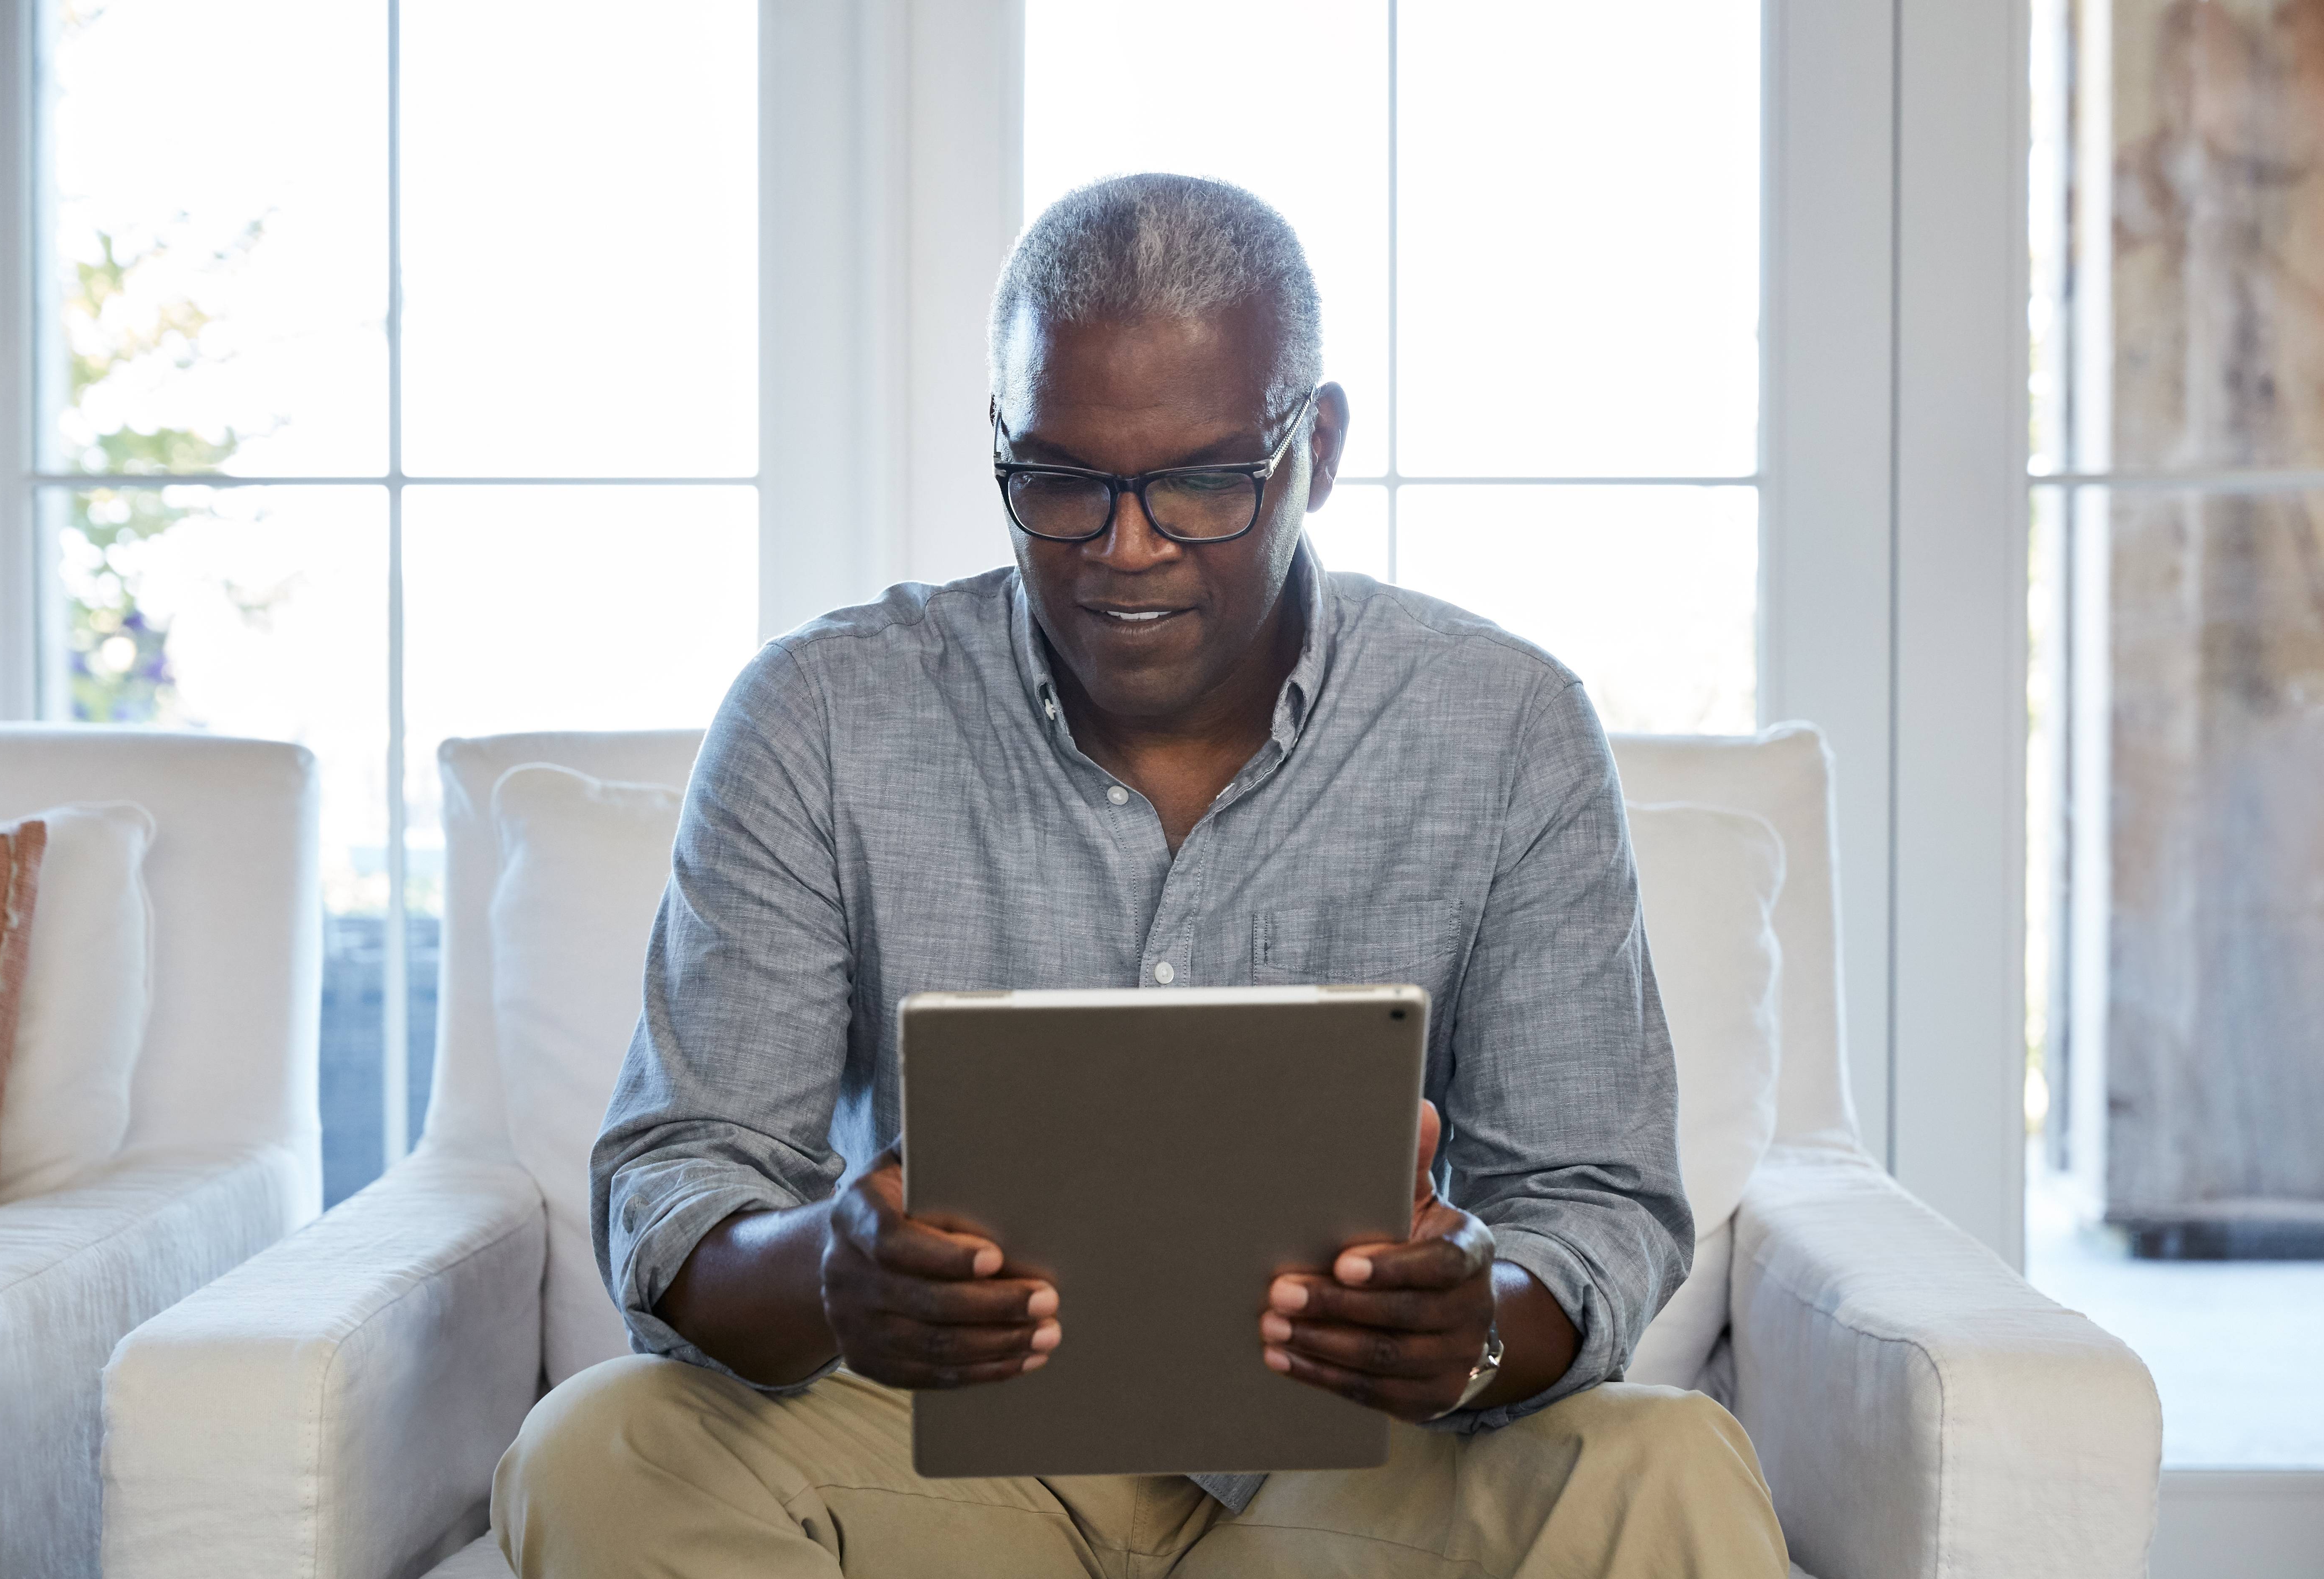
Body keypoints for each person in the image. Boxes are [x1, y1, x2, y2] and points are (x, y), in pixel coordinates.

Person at [492, 173, 1789, 1578]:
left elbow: (1591, 1202)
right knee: (598, 1449)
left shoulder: (1507, 723)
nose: (1126, 546)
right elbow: (684, 1174)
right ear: (1001, 446)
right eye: (1059, 480)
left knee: (1672, 1466)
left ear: (1320, 448)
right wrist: (827, 1266)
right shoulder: (819, 712)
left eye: (1204, 482)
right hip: (941, 1462)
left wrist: (1470, 1324)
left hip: (1355, 1468)